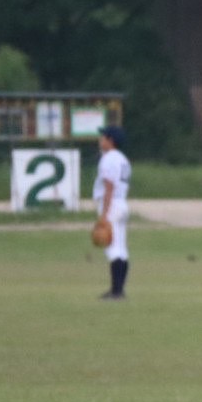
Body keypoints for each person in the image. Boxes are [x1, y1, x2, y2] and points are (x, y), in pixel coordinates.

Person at [94, 125, 132, 300]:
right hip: (122, 203)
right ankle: (119, 289)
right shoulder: (123, 159)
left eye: (103, 136)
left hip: (112, 204)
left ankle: (116, 291)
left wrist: (104, 215)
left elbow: (109, 188)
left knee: (113, 248)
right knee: (121, 249)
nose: (101, 139)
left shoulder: (109, 159)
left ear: (111, 140)